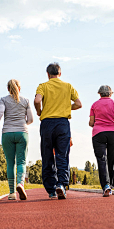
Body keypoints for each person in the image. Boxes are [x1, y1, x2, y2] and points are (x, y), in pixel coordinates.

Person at [34, 63, 82, 199]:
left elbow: (37, 100)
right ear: (60, 74)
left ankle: (51, 190)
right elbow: (79, 104)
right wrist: (66, 107)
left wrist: (39, 112)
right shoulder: (68, 86)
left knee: (47, 155)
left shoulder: (43, 86)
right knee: (62, 155)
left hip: (47, 123)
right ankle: (61, 184)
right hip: (62, 123)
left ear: (48, 74)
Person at [0, 79, 33, 200]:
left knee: (10, 163)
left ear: (8, 89)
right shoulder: (26, 101)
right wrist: (24, 123)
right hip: (22, 133)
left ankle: (12, 193)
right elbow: (31, 119)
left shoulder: (3, 100)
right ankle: (21, 183)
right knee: (21, 162)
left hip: (7, 133)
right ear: (19, 88)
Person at [89, 85, 114, 197]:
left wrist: (98, 123)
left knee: (101, 160)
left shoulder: (94, 105)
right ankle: (111, 185)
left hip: (98, 133)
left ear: (99, 93)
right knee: (112, 159)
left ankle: (106, 186)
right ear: (110, 93)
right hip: (113, 133)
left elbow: (91, 123)